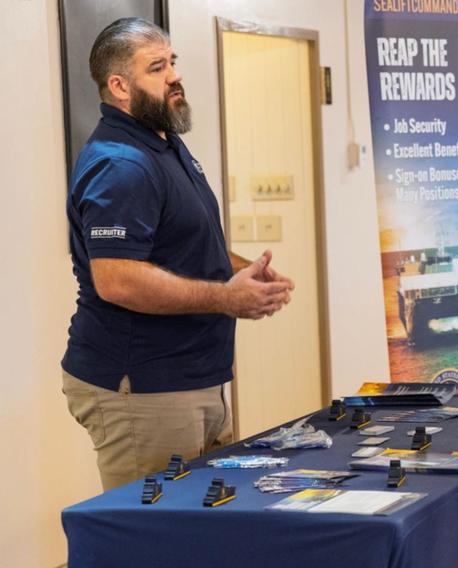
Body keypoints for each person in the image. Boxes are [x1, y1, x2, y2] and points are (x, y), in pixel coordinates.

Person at [62, 18, 295, 490]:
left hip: (193, 377)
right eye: (157, 67)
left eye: (172, 62)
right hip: (143, 388)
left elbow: (187, 241)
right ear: (119, 86)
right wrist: (226, 298)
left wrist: (243, 273)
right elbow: (117, 278)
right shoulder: (120, 164)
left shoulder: (165, 146)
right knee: (153, 540)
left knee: (200, 534)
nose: (173, 76)